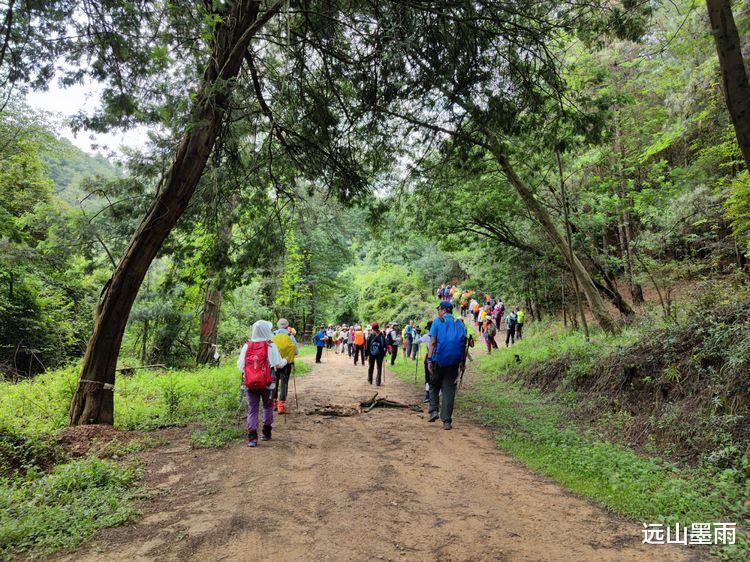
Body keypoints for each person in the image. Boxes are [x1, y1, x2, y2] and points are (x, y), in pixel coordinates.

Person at [238, 320, 287, 447]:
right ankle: (266, 433)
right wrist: (286, 360)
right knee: (267, 406)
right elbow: (278, 364)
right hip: (268, 383)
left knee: (252, 409)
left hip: (249, 383)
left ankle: (252, 438)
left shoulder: (247, 346)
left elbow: (240, 366)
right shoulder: (271, 345)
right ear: (267, 331)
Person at [426, 301, 466, 430]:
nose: (438, 311)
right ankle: (447, 421)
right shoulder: (459, 323)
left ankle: (433, 410)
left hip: (438, 360)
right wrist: (462, 363)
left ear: (443, 310)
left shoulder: (437, 321)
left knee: (433, 384)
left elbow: (432, 342)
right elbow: (463, 344)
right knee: (449, 390)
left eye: (439, 309)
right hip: (454, 362)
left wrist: (429, 360)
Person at [272, 319, 298, 414]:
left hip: (275, 363)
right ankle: (281, 405)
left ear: (278, 325)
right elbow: (296, 351)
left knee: (274, 382)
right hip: (286, 363)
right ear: (287, 325)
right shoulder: (290, 335)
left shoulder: (273, 335)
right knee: (284, 383)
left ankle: (273, 403)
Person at [417, 321, 432, 403]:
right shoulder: (440, 335)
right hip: (439, 357)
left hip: (429, 357)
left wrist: (418, 335)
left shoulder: (426, 336)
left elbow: (416, 342)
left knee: (428, 376)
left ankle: (428, 395)